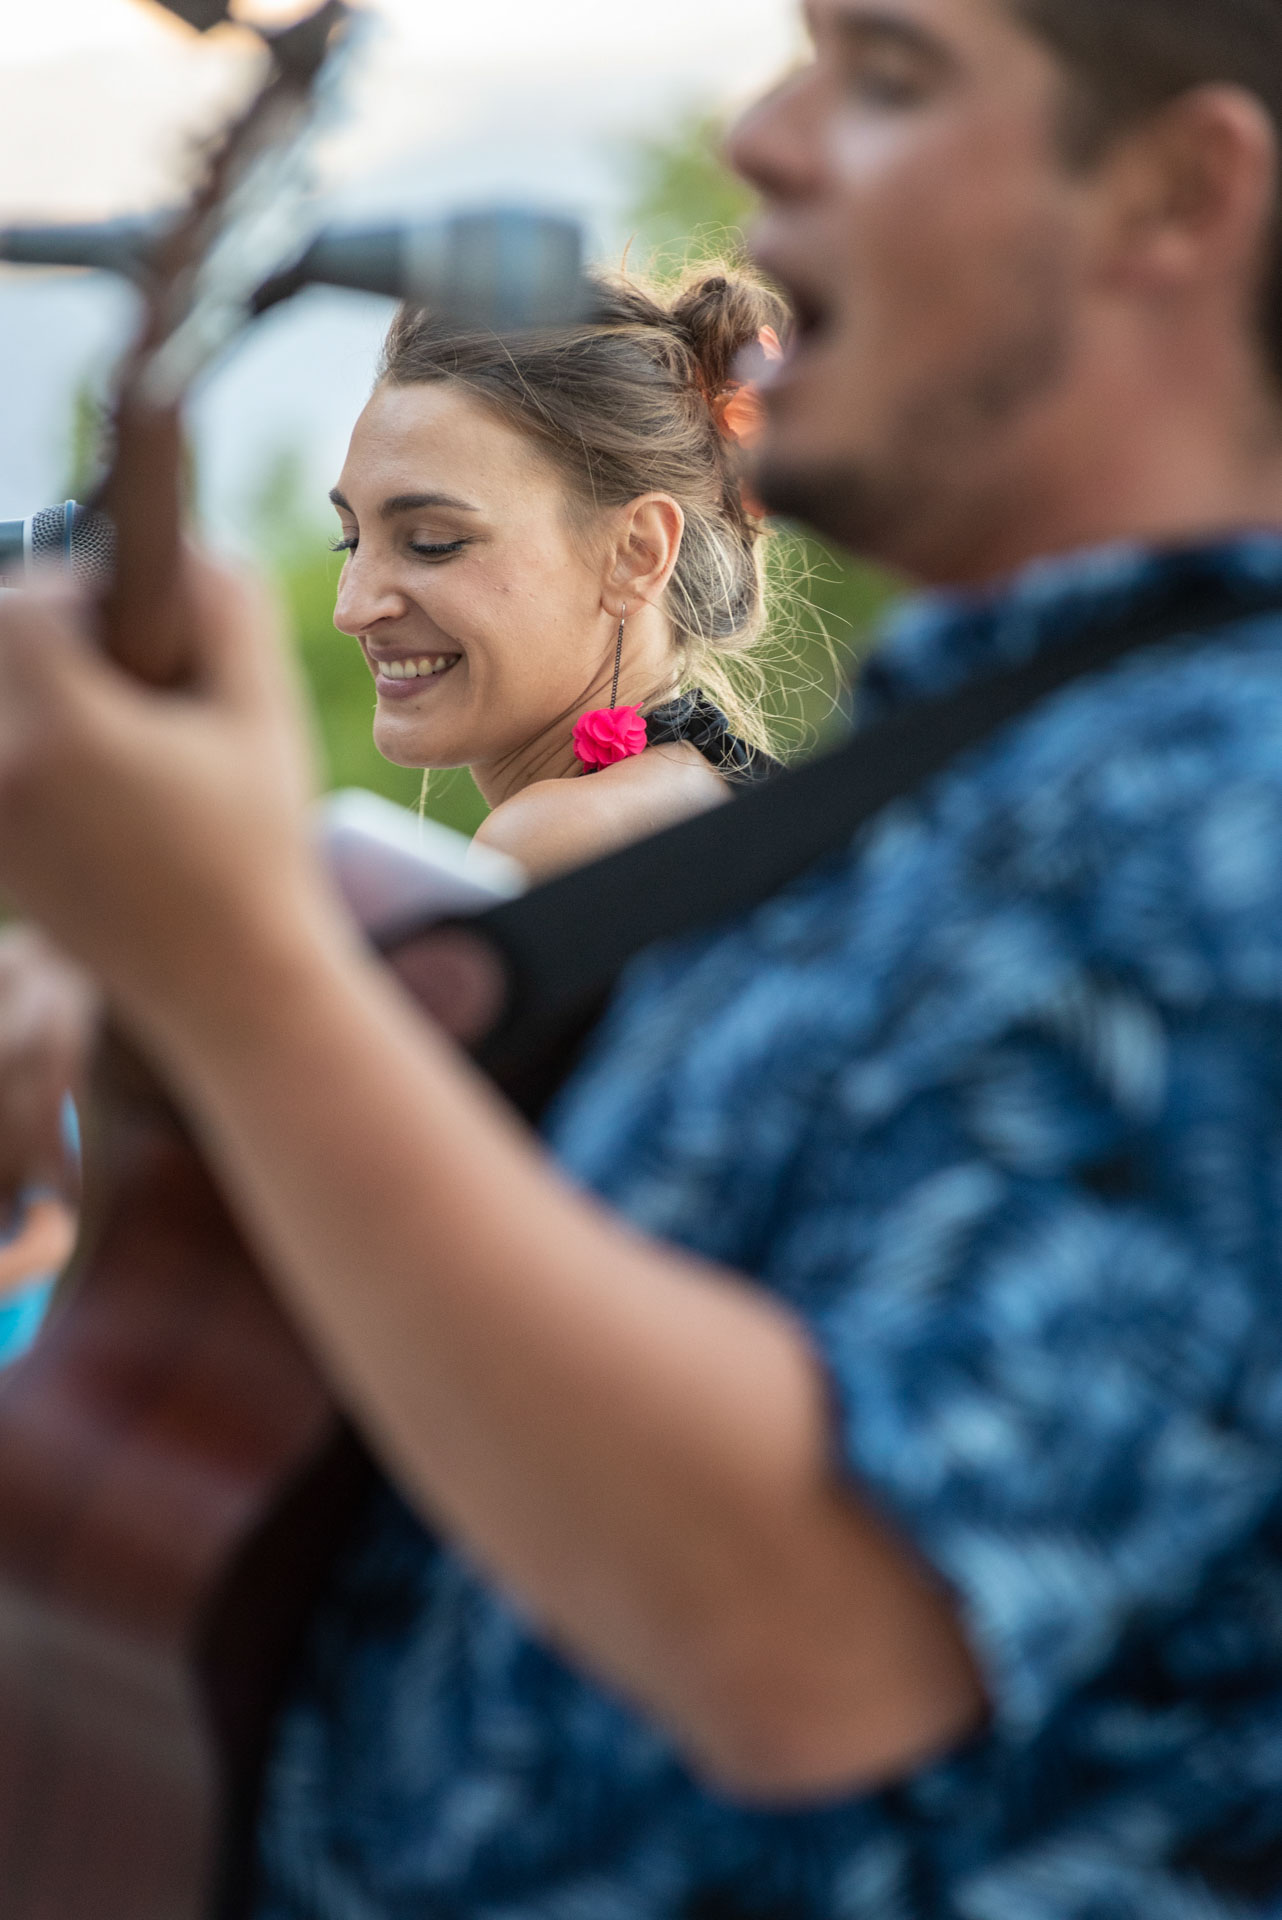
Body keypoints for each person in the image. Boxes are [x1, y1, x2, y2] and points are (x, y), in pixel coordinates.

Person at [7, 0, 1282, 1914]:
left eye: (887, 74)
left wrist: (231, 974)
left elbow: (819, 1630)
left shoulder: (1227, 804)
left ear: (1177, 198)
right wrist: (159, 1071)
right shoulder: (953, 793)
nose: (763, 135)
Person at [329, 269, 787, 884]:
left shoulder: (554, 839)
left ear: (637, 553)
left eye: (432, 544)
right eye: (349, 541)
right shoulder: (703, 796)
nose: (352, 609)